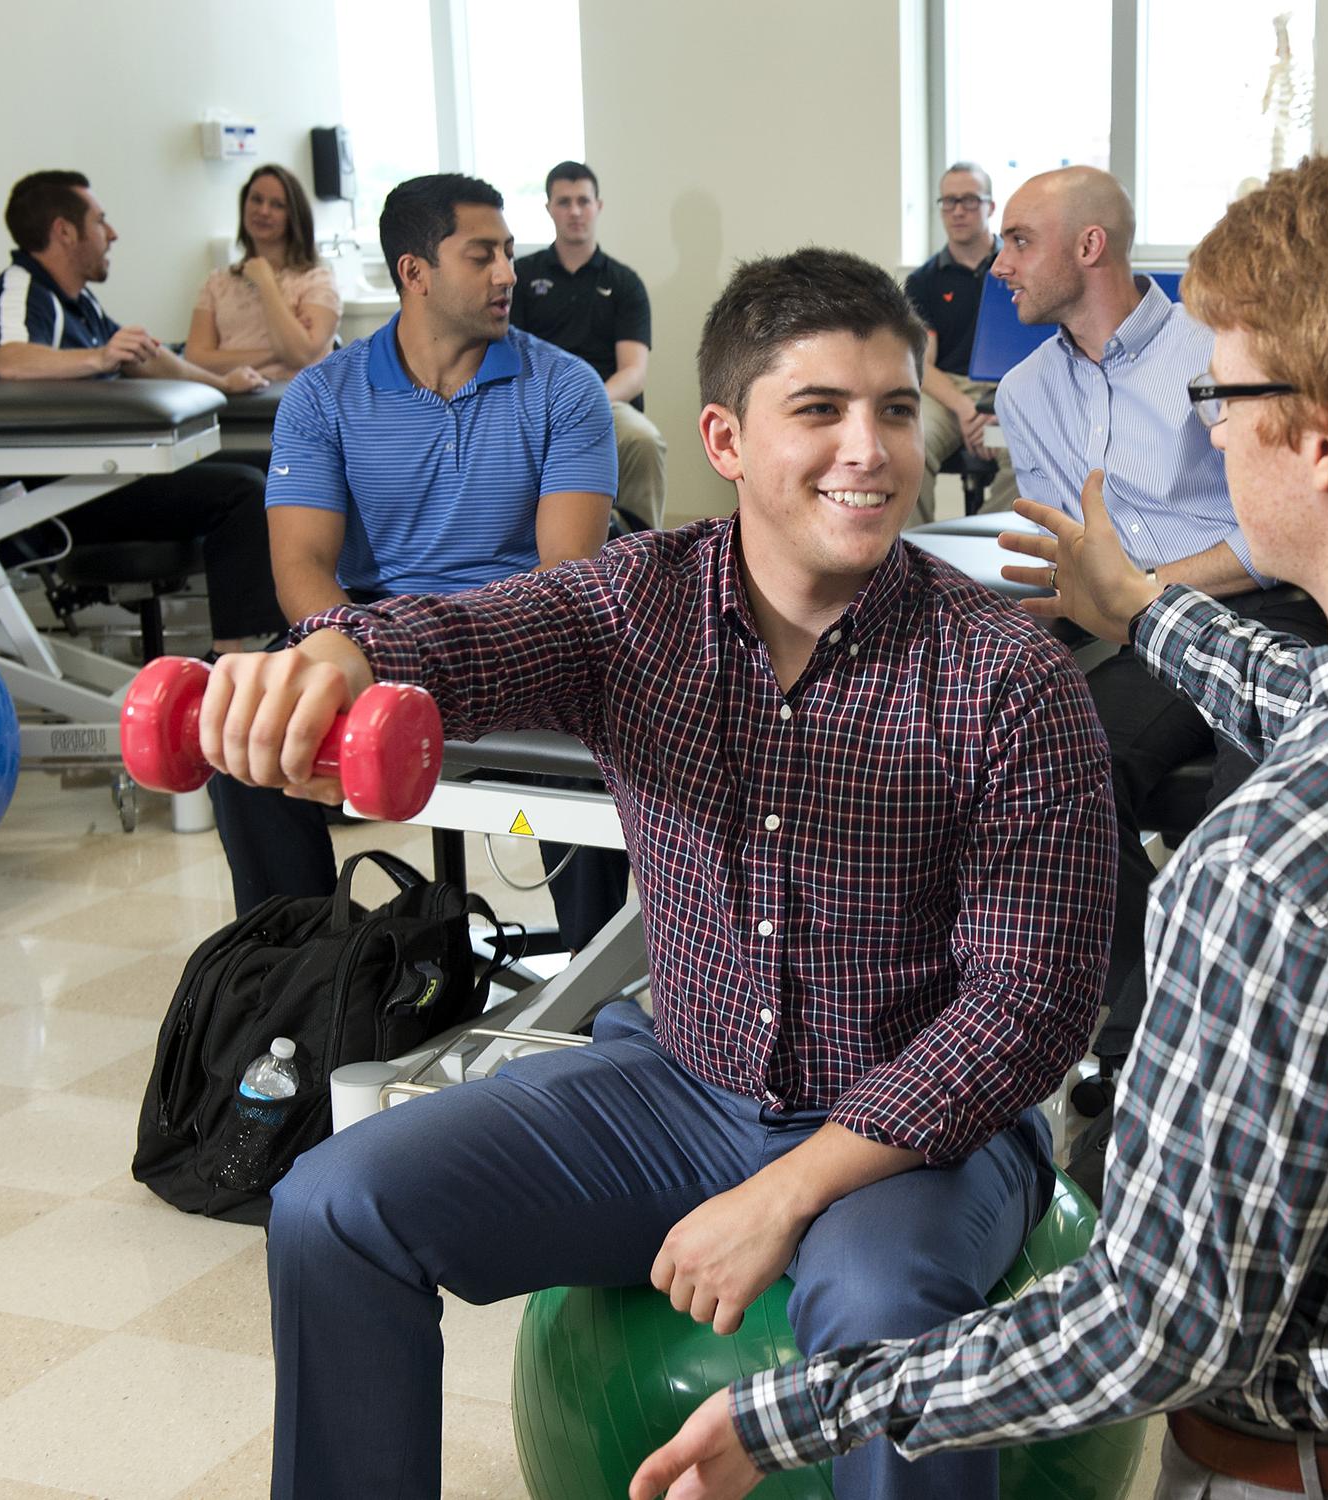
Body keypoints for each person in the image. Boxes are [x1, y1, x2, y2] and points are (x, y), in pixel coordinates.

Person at [631, 126, 1328, 1500]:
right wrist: (1145, 609)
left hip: (1312, 1464)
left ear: (1324, 439)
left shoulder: (1274, 876)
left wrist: (799, 1414)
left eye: (1226, 395)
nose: (1211, 424)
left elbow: (1151, 1322)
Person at [202, 247, 1113, 1500]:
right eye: (821, 411)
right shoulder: (641, 606)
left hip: (920, 1132)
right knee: (333, 1207)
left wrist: (787, 1193)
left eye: (896, 410)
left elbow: (1029, 1011)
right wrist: (341, 655)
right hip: (683, 1080)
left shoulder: (1008, 679)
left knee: (886, 1306)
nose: (871, 449)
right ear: (726, 440)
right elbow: (466, 634)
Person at [991, 165, 1328, 1184]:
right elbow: (1070, 550)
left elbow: (1275, 534)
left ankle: (1231, 1063)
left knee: (1248, 822)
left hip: (1260, 606)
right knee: (1068, 776)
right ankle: (1154, 1039)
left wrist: (1140, 592)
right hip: (1132, 631)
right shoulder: (1024, 390)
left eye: (1017, 241)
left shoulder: (1211, 353)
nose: (997, 264)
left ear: (1088, 248)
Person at [206, 173, 629, 949]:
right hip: (366, 632)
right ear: (415, 272)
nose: (507, 272)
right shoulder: (322, 397)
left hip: (518, 640)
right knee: (248, 743)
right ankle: (301, 981)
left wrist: (442, 658)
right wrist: (360, 660)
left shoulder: (565, 388)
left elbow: (565, 579)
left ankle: (592, 986)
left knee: (596, 725)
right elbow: (301, 566)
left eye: (507, 252)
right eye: (482, 256)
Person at [0, 169, 283, 655]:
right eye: (101, 221)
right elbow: (9, 360)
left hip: (109, 477)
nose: (111, 233)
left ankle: (307, 628)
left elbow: (146, 356)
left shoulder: (79, 303)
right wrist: (99, 358)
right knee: (243, 492)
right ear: (64, 231)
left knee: (280, 470)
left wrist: (221, 383)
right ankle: (231, 657)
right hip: (65, 497)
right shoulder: (20, 288)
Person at [513, 160, 669, 527]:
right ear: (549, 207)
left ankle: (645, 556)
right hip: (536, 405)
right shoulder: (520, 278)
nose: (575, 211)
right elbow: (510, 358)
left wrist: (584, 404)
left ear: (598, 206)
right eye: (564, 202)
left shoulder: (625, 283)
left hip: (606, 402)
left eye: (583, 201)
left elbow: (633, 372)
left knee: (645, 441)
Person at [904, 161, 1015, 522]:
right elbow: (921, 363)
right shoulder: (924, 281)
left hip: (1010, 388)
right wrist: (966, 409)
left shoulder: (1017, 269)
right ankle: (911, 559)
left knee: (1036, 455)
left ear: (990, 207)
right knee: (907, 447)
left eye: (969, 200)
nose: (958, 211)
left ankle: (981, 540)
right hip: (947, 391)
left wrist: (996, 404)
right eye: (949, 202)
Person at [184, 162, 342, 383]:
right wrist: (275, 353)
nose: (263, 211)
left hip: (297, 403)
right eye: (256, 200)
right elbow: (196, 360)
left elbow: (301, 355)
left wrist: (266, 283)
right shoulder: (217, 282)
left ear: (293, 216)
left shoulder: (317, 280)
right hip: (232, 399)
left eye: (277, 205)